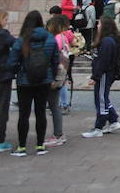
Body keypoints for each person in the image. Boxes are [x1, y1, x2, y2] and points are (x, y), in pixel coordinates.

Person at [6, 11, 59, 157]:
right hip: (44, 80)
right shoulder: (49, 38)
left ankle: (22, 147)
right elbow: (55, 60)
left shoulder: (22, 39)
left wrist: (18, 71)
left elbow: (12, 61)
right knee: (41, 112)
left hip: (24, 80)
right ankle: (40, 145)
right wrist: (52, 75)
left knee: (24, 114)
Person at [81, 16, 120, 138]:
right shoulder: (107, 40)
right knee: (102, 97)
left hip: (105, 73)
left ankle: (98, 127)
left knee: (101, 99)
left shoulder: (107, 41)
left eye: (99, 24)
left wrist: (95, 76)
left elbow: (103, 61)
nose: (97, 26)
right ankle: (113, 120)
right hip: (105, 73)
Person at [44, 16, 71, 147]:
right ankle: (58, 133)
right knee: (55, 106)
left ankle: (58, 134)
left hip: (55, 74)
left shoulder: (56, 39)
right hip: (62, 73)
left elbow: (53, 57)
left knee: (54, 106)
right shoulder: (64, 37)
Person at [0, 10, 16, 153]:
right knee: (2, 107)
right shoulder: (3, 34)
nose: (6, 21)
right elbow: (17, 46)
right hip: (2, 75)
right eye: (5, 18)